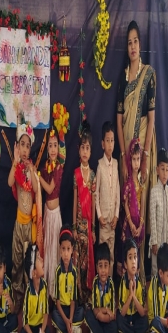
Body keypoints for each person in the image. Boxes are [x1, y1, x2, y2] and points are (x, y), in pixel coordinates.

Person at [116, 20, 157, 280]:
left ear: (140, 44)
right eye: (129, 42)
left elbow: (151, 119)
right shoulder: (123, 79)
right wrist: (123, 156)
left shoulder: (149, 75)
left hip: (143, 154)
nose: (132, 46)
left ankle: (141, 274)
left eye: (135, 41)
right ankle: (125, 273)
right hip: (126, 157)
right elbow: (119, 119)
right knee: (127, 210)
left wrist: (145, 156)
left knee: (141, 210)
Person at [8, 121, 38, 312]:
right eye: (22, 145)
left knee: (30, 263)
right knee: (17, 261)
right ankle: (17, 297)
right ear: (18, 147)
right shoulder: (17, 168)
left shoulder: (31, 169)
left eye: (28, 146)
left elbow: (35, 188)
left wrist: (32, 171)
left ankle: (29, 298)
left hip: (30, 227)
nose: (25, 149)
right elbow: (9, 181)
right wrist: (15, 161)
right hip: (19, 224)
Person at [73, 120, 96, 306]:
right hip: (78, 226)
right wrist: (74, 226)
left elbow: (93, 203)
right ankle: (78, 295)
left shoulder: (93, 175)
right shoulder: (76, 174)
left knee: (87, 263)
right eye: (83, 148)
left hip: (88, 226)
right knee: (77, 261)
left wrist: (93, 229)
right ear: (79, 150)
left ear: (91, 151)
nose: (85, 151)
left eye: (88, 148)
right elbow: (75, 202)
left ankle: (87, 296)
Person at [19, 244, 56, 333]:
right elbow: (25, 323)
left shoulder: (44, 285)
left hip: (40, 327)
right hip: (30, 328)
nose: (42, 260)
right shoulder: (28, 294)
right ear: (34, 273)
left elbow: (45, 312)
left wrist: (43, 331)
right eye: (39, 259)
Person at [39, 128, 63, 301]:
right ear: (47, 148)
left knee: (55, 250)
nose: (53, 149)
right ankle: (46, 290)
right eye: (50, 146)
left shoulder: (58, 167)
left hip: (55, 216)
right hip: (47, 214)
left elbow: (49, 189)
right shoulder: (46, 166)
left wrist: (38, 176)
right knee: (47, 249)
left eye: (55, 145)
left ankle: (55, 292)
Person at [118, 138, 146, 282]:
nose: (136, 163)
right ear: (130, 160)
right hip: (129, 226)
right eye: (134, 159)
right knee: (128, 254)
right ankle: (126, 287)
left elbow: (142, 204)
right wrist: (131, 224)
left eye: (138, 159)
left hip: (138, 225)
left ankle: (137, 287)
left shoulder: (141, 183)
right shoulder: (128, 183)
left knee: (136, 256)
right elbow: (125, 204)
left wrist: (140, 225)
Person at [51, 226, 84, 333]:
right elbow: (57, 302)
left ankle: (65, 330)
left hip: (71, 309)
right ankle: (72, 329)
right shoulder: (58, 272)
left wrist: (70, 319)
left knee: (81, 311)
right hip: (61, 310)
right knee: (54, 314)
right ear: (60, 250)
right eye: (63, 249)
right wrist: (66, 321)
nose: (65, 253)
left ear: (72, 250)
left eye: (68, 249)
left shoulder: (74, 272)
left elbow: (73, 301)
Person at [96, 121, 120, 277]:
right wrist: (99, 216)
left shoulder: (116, 164)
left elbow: (117, 191)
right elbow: (96, 194)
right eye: (107, 140)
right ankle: (101, 283)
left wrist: (116, 215)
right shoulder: (100, 166)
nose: (110, 144)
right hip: (104, 221)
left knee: (111, 255)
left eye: (112, 140)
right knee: (103, 256)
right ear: (102, 144)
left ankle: (109, 284)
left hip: (113, 221)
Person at [85, 243, 118, 333]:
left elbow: (112, 314)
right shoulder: (95, 282)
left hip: (107, 319)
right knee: (88, 314)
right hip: (98, 316)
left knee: (115, 326)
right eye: (100, 266)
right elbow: (94, 309)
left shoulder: (111, 284)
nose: (103, 270)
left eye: (105, 266)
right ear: (96, 268)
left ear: (109, 267)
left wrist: (104, 315)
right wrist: (104, 312)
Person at [117, 239, 150, 333]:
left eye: (135, 257)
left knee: (145, 321)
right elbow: (122, 312)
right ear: (125, 264)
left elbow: (142, 312)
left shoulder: (139, 283)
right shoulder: (123, 282)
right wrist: (130, 296)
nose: (133, 261)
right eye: (130, 258)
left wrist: (134, 297)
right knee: (119, 320)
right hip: (126, 317)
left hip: (135, 317)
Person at [149, 148, 168, 277]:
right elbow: (152, 219)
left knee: (165, 268)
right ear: (157, 170)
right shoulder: (154, 191)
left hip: (165, 241)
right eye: (162, 169)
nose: (165, 173)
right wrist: (154, 242)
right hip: (157, 242)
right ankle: (154, 289)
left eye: (167, 169)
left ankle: (164, 289)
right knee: (155, 269)